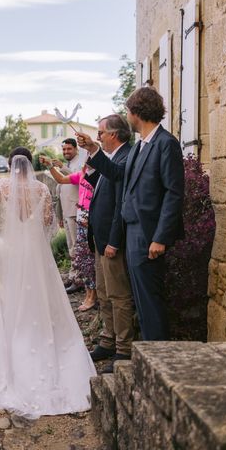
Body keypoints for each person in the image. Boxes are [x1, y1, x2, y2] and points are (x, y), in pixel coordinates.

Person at [0, 148, 96, 418]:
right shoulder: (42, 189)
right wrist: (36, 237)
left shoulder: (1, 186)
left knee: (5, 300)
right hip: (34, 254)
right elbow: (48, 223)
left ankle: (7, 357)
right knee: (38, 301)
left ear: (10, 165)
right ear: (30, 165)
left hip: (7, 250)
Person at [77, 87, 184, 340]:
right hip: (133, 232)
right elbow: (118, 176)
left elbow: (173, 193)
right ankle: (147, 355)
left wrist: (161, 237)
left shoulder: (165, 143)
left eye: (128, 111)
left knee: (151, 300)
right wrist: (94, 149)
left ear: (138, 112)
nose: (127, 116)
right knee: (141, 300)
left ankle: (158, 358)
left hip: (149, 235)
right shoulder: (139, 147)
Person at [84, 114, 135, 374]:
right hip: (101, 240)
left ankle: (124, 348)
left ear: (114, 134)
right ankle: (107, 340)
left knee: (119, 296)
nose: (98, 137)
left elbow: (119, 206)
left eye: (101, 132)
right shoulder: (113, 159)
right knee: (104, 294)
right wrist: (92, 160)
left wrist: (114, 241)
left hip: (112, 242)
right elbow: (101, 184)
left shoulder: (126, 157)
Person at [44, 158, 99, 311]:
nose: (86, 161)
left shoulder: (99, 175)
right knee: (83, 259)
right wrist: (50, 166)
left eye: (89, 157)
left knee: (90, 259)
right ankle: (89, 294)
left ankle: (93, 296)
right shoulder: (81, 174)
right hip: (81, 220)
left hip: (92, 221)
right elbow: (61, 179)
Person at [54, 138, 85, 293]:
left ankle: (79, 279)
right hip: (66, 212)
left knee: (77, 247)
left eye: (69, 149)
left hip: (75, 210)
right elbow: (60, 190)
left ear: (76, 149)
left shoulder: (80, 163)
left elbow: (79, 179)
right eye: (64, 149)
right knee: (70, 246)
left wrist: (61, 167)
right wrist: (59, 214)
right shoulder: (67, 165)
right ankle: (73, 276)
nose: (66, 152)